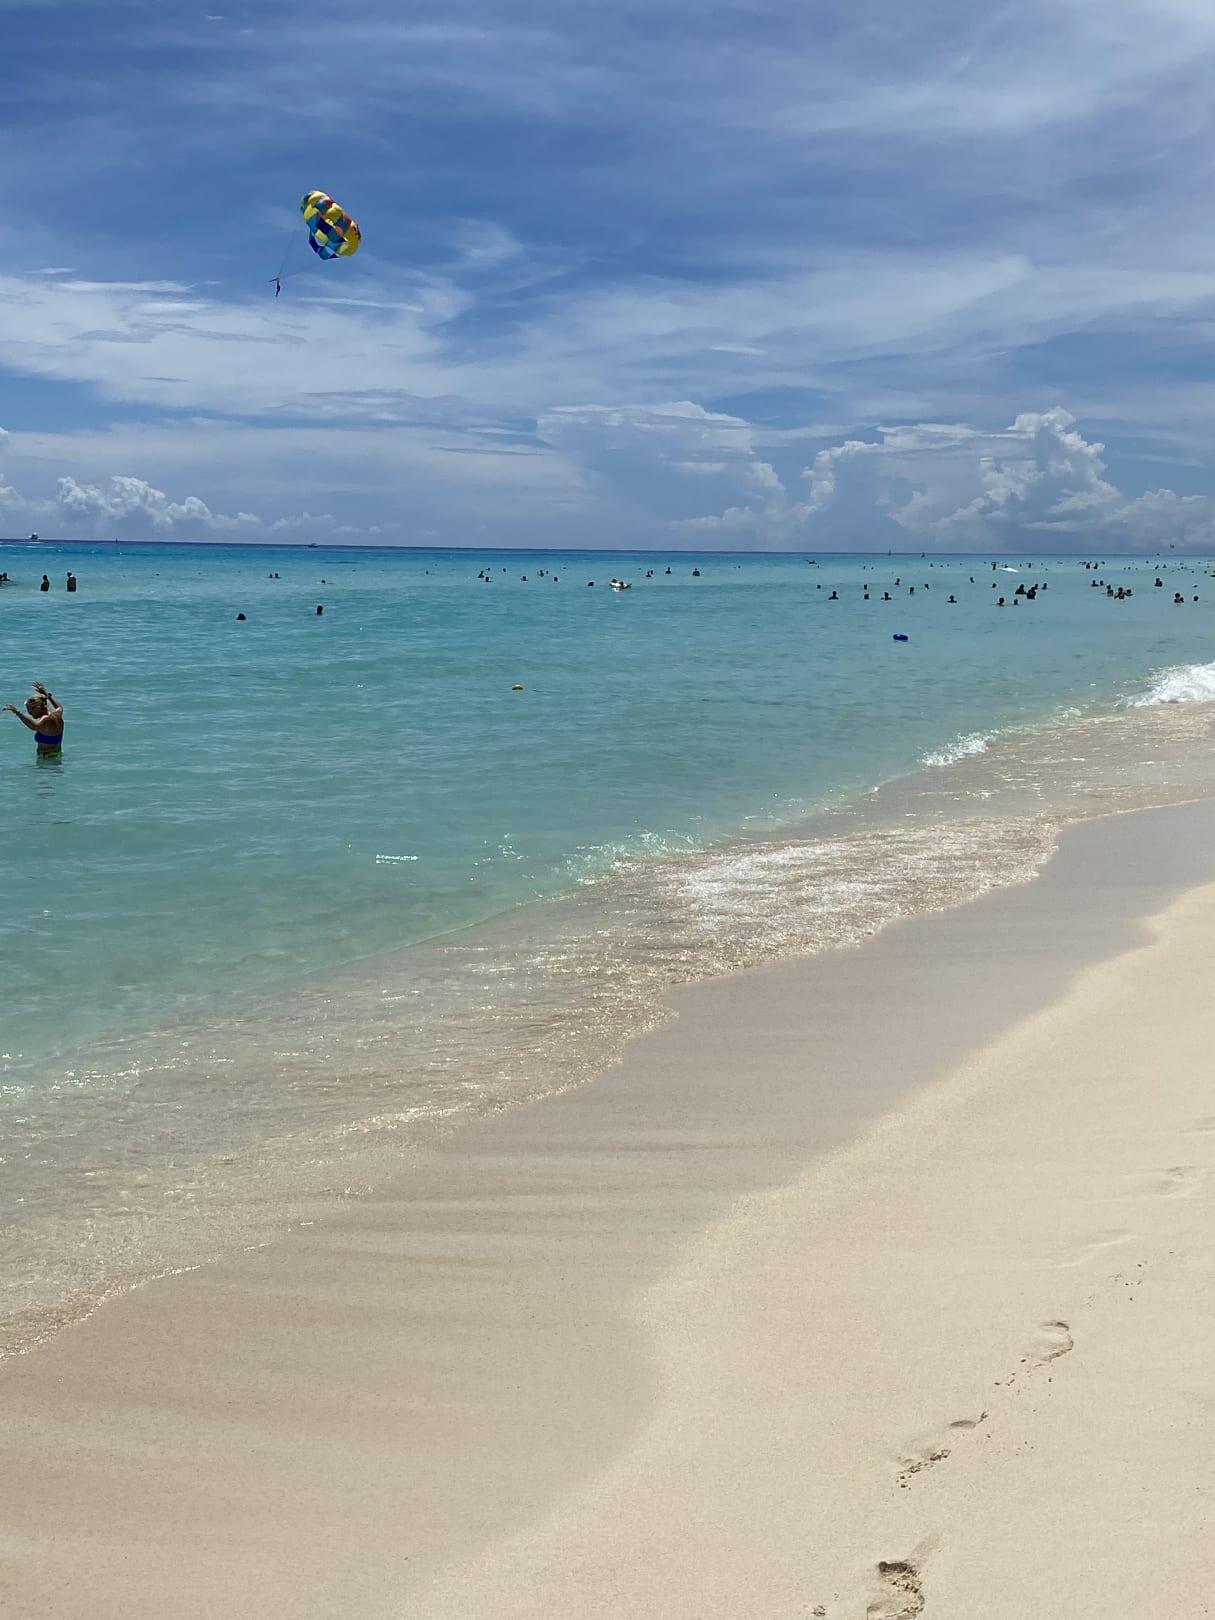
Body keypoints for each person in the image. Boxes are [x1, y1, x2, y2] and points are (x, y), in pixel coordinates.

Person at [5, 681, 64, 754]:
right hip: (57, 754)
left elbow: (34, 726)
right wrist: (45, 693)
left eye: (33, 708)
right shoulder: (57, 713)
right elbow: (59, 707)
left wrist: (17, 712)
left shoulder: (46, 719)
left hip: (47, 758)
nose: (30, 712)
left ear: (42, 706)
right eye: (28, 709)